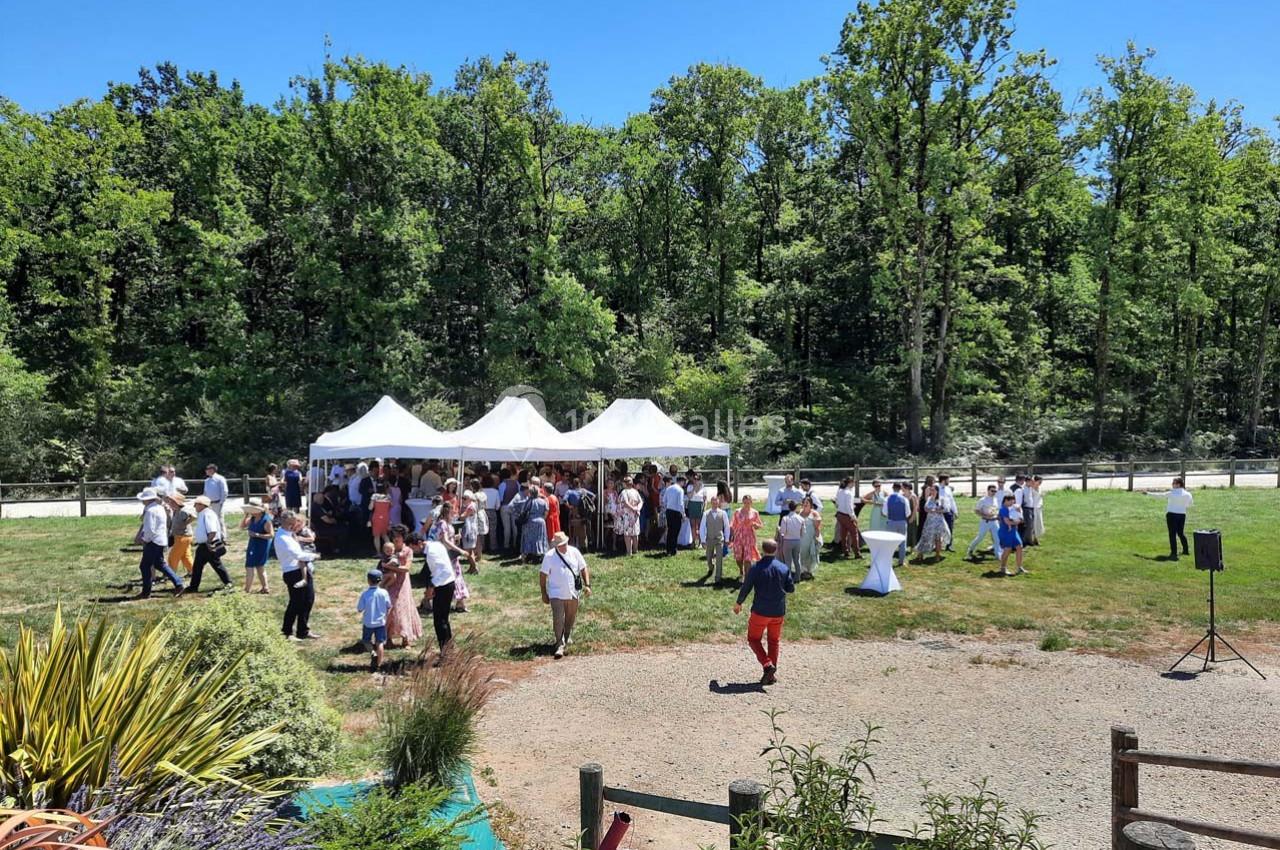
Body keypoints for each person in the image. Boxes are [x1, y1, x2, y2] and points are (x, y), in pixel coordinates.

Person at [733, 539, 795, 686]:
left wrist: (738, 603)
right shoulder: (783, 568)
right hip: (778, 611)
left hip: (760, 611)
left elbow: (746, 587)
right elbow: (791, 589)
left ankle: (767, 665)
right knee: (774, 641)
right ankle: (770, 675)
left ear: (762, 550)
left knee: (753, 639)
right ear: (776, 549)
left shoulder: (756, 568)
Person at [539, 531, 591, 659]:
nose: (564, 546)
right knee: (558, 619)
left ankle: (566, 636)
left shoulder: (574, 552)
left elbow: (583, 568)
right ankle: (559, 644)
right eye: (561, 545)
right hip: (556, 593)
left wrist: (587, 585)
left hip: (573, 591)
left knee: (570, 617)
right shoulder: (549, 556)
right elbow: (543, 575)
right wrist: (544, 593)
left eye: (565, 544)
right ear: (556, 545)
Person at [276, 511, 319, 639]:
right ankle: (287, 631)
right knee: (296, 603)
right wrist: (315, 556)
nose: (296, 525)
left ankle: (303, 630)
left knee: (308, 600)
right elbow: (299, 555)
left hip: (298, 570)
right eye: (294, 523)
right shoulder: (283, 538)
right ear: (289, 524)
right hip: (293, 573)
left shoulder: (288, 535)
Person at [136, 487, 184, 599]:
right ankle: (178, 583)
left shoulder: (150, 510)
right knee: (159, 563)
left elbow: (149, 528)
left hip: (153, 541)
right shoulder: (159, 508)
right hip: (161, 540)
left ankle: (146, 592)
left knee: (145, 566)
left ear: (147, 499)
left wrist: (144, 539)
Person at [382, 525, 423, 648]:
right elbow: (381, 564)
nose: (396, 539)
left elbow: (406, 569)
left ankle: (406, 639)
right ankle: (388, 638)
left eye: (398, 536)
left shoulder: (408, 551)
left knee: (404, 608)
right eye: (394, 537)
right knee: (390, 608)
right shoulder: (389, 549)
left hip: (403, 583)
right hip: (391, 582)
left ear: (403, 537)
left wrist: (390, 567)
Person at [421, 537, 458, 662]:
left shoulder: (431, 553)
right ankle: (448, 650)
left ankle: (446, 653)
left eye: (413, 547)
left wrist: (431, 587)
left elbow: (442, 571)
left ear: (419, 543)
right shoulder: (436, 544)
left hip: (443, 585)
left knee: (439, 621)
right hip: (447, 583)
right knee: (444, 620)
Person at [434, 503, 475, 611]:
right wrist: (460, 550)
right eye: (453, 511)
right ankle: (430, 599)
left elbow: (448, 538)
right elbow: (445, 540)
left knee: (457, 576)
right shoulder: (442, 523)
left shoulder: (447, 523)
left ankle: (460, 603)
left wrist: (456, 537)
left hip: (451, 555)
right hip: (445, 555)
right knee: (450, 578)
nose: (455, 513)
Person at [189, 495, 231, 592]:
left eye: (196, 504)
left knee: (217, 565)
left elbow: (212, 531)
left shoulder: (208, 514)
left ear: (202, 505)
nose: (194, 506)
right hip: (203, 545)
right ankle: (193, 586)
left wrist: (208, 542)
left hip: (208, 544)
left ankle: (228, 582)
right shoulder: (203, 514)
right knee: (197, 567)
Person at [1144, 477, 1193, 560]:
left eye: (1174, 483)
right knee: (1181, 533)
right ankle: (1186, 550)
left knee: (1172, 534)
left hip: (1171, 515)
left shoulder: (1171, 493)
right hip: (1182, 515)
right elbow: (1190, 504)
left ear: (1178, 484)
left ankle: (1174, 553)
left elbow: (1160, 496)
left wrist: (1147, 493)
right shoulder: (1188, 494)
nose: (1172, 485)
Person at [357, 569, 392, 673]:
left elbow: (360, 608)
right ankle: (379, 665)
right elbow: (389, 606)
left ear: (368, 580)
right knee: (380, 643)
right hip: (381, 622)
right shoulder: (384, 592)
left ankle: (373, 653)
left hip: (368, 622)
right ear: (380, 580)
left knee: (366, 640)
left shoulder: (365, 594)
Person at [241, 499, 273, 594]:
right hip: (253, 544)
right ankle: (265, 587)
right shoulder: (252, 518)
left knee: (251, 566)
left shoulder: (266, 520)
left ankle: (247, 589)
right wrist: (245, 515)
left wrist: (257, 535)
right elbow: (242, 526)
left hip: (261, 545)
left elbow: (271, 535)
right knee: (259, 567)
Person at [914, 484, 951, 561]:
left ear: (937, 491)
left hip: (939, 522)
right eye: (931, 490)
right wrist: (930, 510)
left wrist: (937, 510)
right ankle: (920, 554)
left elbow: (946, 509)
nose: (932, 491)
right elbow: (925, 508)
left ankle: (937, 555)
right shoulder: (929, 499)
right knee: (925, 537)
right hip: (929, 521)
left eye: (933, 490)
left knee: (938, 538)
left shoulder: (942, 499)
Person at [966, 484, 1003, 561]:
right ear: (988, 491)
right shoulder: (983, 500)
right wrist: (985, 515)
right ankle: (970, 549)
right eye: (992, 491)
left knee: (997, 539)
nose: (994, 492)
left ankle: (998, 554)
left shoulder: (995, 499)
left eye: (995, 491)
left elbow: (996, 509)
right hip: (985, 522)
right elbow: (976, 510)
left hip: (994, 521)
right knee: (980, 537)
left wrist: (998, 516)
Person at [729, 494, 763, 579]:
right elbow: (732, 525)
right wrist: (731, 536)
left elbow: (760, 524)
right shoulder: (737, 512)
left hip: (749, 536)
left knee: (748, 557)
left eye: (748, 502)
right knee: (738, 556)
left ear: (751, 502)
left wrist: (756, 525)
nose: (747, 504)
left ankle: (747, 577)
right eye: (745, 502)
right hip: (739, 536)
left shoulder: (755, 512)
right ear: (743, 502)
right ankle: (741, 570)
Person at [166, 492, 196, 578]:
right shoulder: (176, 510)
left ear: (177, 502)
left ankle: (171, 575)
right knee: (185, 556)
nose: (169, 503)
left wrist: (185, 523)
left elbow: (194, 516)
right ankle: (193, 571)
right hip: (179, 536)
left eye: (171, 502)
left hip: (183, 537)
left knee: (173, 557)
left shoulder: (183, 511)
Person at [997, 494, 1027, 576]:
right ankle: (1003, 568)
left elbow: (1019, 516)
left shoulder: (1012, 508)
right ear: (1006, 500)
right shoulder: (1003, 509)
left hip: (1013, 531)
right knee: (1008, 549)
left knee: (1019, 546)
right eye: (1011, 501)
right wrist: (1017, 522)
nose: (1012, 503)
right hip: (1005, 532)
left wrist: (1019, 512)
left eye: (1013, 501)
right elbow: (1007, 522)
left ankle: (1019, 567)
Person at [702, 496, 730, 584]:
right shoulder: (706, 514)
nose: (715, 504)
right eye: (713, 503)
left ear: (718, 503)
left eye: (716, 503)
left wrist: (727, 538)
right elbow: (702, 527)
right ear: (711, 503)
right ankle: (711, 567)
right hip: (709, 539)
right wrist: (703, 540)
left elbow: (727, 526)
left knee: (719, 558)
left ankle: (718, 577)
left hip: (719, 539)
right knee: (709, 557)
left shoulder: (723, 513)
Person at [519, 484, 550, 562]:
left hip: (529, 522)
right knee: (539, 538)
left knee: (529, 538)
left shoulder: (527, 502)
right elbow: (546, 511)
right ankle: (539, 553)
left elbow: (523, 511)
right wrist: (542, 519)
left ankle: (529, 554)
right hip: (540, 521)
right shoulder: (543, 501)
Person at [883, 482, 911, 567]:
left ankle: (888, 560)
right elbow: (908, 513)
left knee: (889, 542)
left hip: (891, 521)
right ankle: (901, 561)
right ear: (900, 489)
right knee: (902, 542)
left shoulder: (887, 499)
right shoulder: (904, 499)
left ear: (893, 488)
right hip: (902, 521)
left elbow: (884, 512)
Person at [833, 477, 862, 559]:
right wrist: (853, 517)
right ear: (850, 483)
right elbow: (849, 507)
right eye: (853, 483)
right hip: (846, 515)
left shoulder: (840, 491)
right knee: (854, 532)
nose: (854, 484)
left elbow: (837, 503)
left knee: (843, 533)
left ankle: (845, 551)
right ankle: (857, 553)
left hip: (840, 514)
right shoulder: (849, 493)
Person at [615, 476, 643, 555]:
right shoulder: (635, 491)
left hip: (627, 515)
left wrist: (634, 509)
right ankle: (635, 550)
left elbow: (626, 503)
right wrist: (637, 509)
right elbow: (641, 502)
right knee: (635, 533)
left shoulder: (624, 492)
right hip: (635, 514)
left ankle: (629, 551)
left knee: (627, 534)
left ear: (624, 484)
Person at [797, 496, 823, 580]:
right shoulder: (799, 513)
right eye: (803, 503)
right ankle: (802, 570)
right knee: (802, 553)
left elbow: (817, 527)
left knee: (810, 552)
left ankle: (809, 571)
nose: (805, 504)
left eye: (807, 503)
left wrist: (817, 537)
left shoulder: (814, 513)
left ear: (811, 505)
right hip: (802, 537)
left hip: (811, 536)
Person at [777, 499, 804, 576]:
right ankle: (798, 576)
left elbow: (783, 532)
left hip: (787, 541)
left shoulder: (785, 518)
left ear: (789, 508)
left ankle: (788, 577)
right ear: (796, 508)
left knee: (787, 561)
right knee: (796, 560)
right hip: (797, 541)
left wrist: (779, 529)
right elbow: (802, 532)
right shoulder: (801, 519)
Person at [661, 475, 685, 556]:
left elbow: (664, 501)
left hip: (669, 511)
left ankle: (668, 549)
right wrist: (683, 514)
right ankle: (673, 549)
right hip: (676, 512)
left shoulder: (668, 488)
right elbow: (681, 504)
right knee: (675, 532)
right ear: (682, 482)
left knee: (670, 531)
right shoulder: (680, 490)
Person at [937, 474, 957, 550]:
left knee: (950, 528)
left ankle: (949, 545)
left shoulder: (948, 489)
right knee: (939, 529)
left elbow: (952, 500)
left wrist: (955, 511)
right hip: (939, 512)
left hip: (948, 512)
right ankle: (938, 545)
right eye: (948, 480)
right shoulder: (936, 488)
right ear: (943, 480)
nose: (949, 481)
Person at [686, 472, 706, 547]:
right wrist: (694, 488)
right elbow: (690, 497)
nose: (696, 480)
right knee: (692, 525)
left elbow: (705, 499)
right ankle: (693, 541)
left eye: (698, 479)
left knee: (700, 524)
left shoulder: (703, 487)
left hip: (699, 505)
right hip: (692, 504)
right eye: (695, 479)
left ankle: (701, 541)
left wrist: (704, 507)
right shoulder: (690, 487)